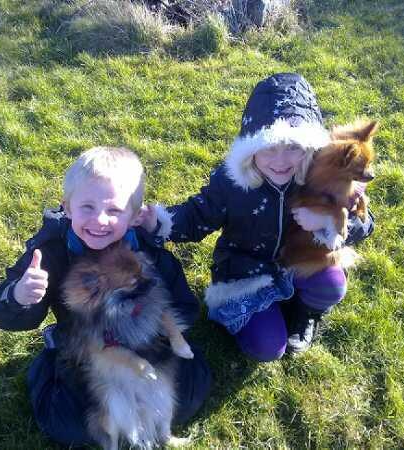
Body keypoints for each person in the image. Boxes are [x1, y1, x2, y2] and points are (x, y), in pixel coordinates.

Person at [0, 147, 211, 446]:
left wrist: (158, 330)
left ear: (134, 216)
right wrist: (19, 296)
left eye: (114, 210)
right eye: (87, 207)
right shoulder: (50, 253)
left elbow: (183, 305)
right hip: (87, 353)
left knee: (189, 394)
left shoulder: (149, 252)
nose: (100, 220)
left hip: (147, 345)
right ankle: (47, 371)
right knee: (72, 427)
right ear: (67, 207)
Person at [142, 73, 374, 361]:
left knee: (332, 284)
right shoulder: (232, 183)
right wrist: (159, 222)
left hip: (298, 260)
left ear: (309, 149)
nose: (280, 161)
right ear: (250, 148)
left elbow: (365, 223)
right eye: (268, 147)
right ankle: (260, 315)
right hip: (246, 272)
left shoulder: (321, 179)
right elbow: (196, 215)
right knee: (267, 347)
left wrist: (326, 223)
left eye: (293, 147)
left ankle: (305, 312)